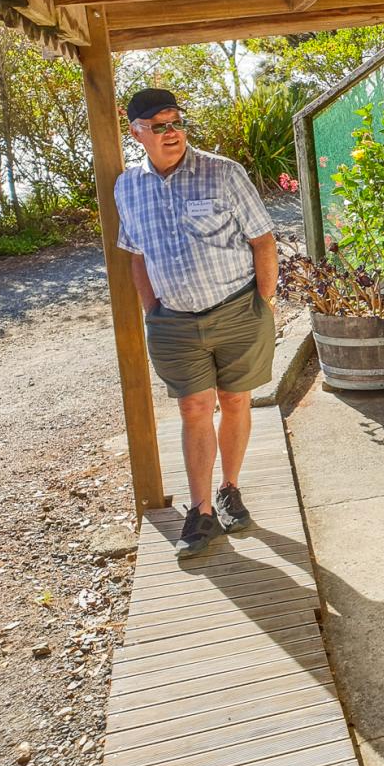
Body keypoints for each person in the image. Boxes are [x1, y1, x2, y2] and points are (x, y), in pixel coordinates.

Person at [114, 88, 279, 558]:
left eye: (176, 123)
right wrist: (152, 310)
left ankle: (229, 489)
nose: (172, 133)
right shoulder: (128, 186)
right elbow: (137, 255)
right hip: (174, 322)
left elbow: (263, 241)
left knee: (235, 398)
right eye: (159, 126)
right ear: (137, 132)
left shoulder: (223, 173)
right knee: (192, 408)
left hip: (236, 310)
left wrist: (261, 304)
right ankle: (201, 511)